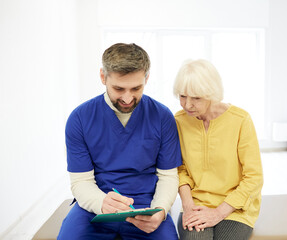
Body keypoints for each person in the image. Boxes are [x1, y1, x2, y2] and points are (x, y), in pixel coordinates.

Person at [58, 43, 182, 240]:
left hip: (146, 206)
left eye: (136, 88)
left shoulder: (162, 117)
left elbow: (168, 176)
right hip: (95, 205)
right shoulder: (80, 118)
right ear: (102, 77)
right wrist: (101, 203)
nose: (127, 98)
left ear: (146, 79)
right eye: (118, 88)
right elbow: (81, 181)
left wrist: (160, 209)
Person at [173, 59, 263, 240]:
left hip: (235, 208)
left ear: (211, 94)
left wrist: (218, 213)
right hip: (195, 205)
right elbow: (179, 169)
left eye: (196, 98)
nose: (187, 104)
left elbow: (253, 177)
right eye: (183, 96)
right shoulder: (179, 120)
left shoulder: (241, 120)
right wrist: (188, 206)